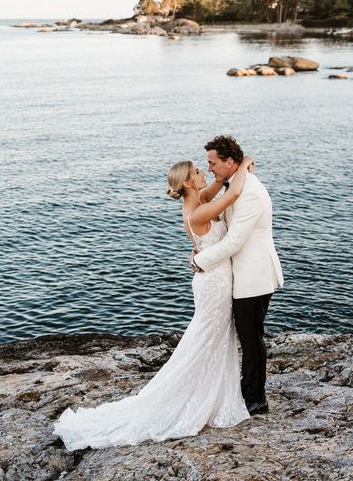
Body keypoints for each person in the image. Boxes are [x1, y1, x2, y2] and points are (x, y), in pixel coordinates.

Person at [52, 154, 255, 450]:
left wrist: (226, 169)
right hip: (213, 284)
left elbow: (222, 183)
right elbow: (234, 192)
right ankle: (194, 398)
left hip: (216, 278)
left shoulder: (198, 200)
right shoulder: (196, 212)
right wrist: (246, 163)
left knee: (214, 338)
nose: (204, 173)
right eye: (199, 171)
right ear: (187, 182)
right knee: (205, 338)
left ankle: (213, 394)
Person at [191, 135, 283, 415]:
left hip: (254, 276)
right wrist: (243, 166)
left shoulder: (251, 193)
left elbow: (234, 242)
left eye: (212, 163)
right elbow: (212, 204)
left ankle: (256, 399)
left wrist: (200, 261)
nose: (209, 169)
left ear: (229, 161)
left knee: (251, 339)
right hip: (239, 275)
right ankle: (247, 391)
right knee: (247, 337)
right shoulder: (235, 183)